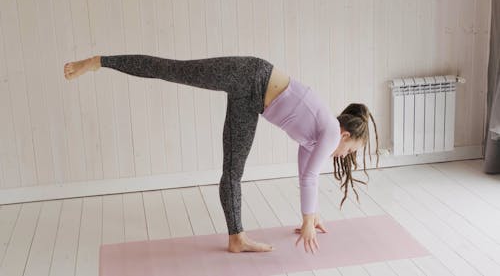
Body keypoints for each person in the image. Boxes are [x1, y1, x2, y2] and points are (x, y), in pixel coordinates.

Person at [63, 55, 379, 254]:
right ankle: (99, 62)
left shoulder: (319, 135)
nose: (343, 156)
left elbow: (304, 171)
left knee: (232, 173)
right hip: (250, 75)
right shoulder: (330, 131)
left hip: (252, 101)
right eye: (349, 151)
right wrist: (309, 220)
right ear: (346, 135)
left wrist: (311, 217)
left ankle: (236, 237)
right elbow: (311, 175)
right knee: (173, 70)